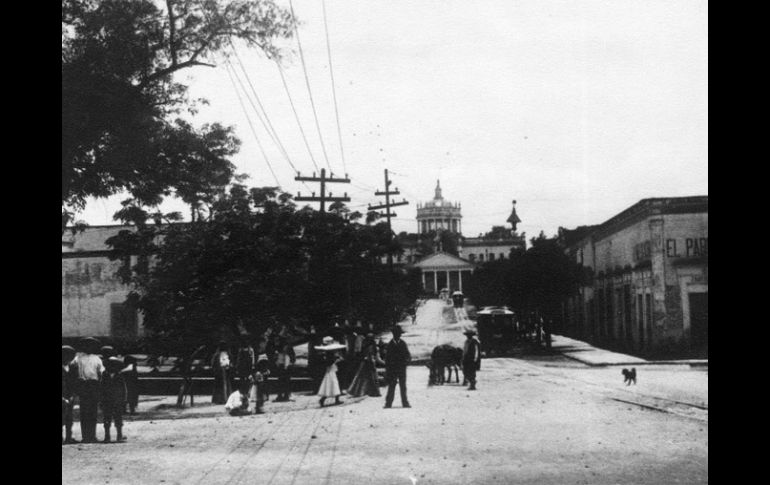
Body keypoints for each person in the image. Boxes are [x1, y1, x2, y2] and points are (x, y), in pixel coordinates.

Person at [72, 337, 105, 443]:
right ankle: (85, 436)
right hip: (84, 385)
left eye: (91, 346)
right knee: (84, 411)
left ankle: (92, 435)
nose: (89, 348)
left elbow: (101, 372)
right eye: (87, 345)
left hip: (94, 384)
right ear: (83, 347)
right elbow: (74, 369)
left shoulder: (97, 359)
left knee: (93, 410)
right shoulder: (78, 358)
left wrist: (100, 384)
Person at [347, 333, 383, 398]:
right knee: (367, 378)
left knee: (365, 378)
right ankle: (372, 392)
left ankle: (369, 392)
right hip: (367, 363)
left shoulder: (369, 346)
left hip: (368, 362)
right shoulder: (369, 346)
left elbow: (375, 356)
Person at [101, 357, 128, 442]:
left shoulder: (119, 376)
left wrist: (124, 400)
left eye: (114, 365)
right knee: (106, 418)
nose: (112, 367)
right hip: (107, 400)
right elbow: (101, 388)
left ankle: (119, 435)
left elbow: (124, 389)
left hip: (117, 400)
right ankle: (107, 436)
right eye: (110, 365)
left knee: (118, 418)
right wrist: (101, 400)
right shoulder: (104, 375)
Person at [384, 326, 411, 408]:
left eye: (399, 334)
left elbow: (408, 355)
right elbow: (387, 358)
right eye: (396, 334)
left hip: (402, 368)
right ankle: (388, 403)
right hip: (392, 369)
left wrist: (406, 362)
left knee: (403, 386)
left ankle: (405, 403)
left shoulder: (403, 343)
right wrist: (388, 369)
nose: (397, 335)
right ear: (393, 334)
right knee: (391, 386)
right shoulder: (390, 345)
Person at [317, 339, 344, 407]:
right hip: (330, 370)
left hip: (331, 370)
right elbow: (330, 362)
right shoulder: (329, 353)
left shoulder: (328, 353)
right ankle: (325, 399)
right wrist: (337, 360)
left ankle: (334, 399)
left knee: (333, 384)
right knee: (332, 384)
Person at [62, 345, 78, 444]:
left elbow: (74, 382)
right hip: (62, 396)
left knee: (69, 418)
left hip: (70, 395)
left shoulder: (72, 368)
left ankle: (69, 437)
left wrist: (72, 395)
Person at [274, 337, 295, 402]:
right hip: (282, 365)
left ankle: (284, 395)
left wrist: (291, 363)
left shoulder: (288, 348)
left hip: (286, 365)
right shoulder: (280, 349)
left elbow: (292, 357)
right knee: (282, 381)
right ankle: (282, 395)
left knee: (284, 381)